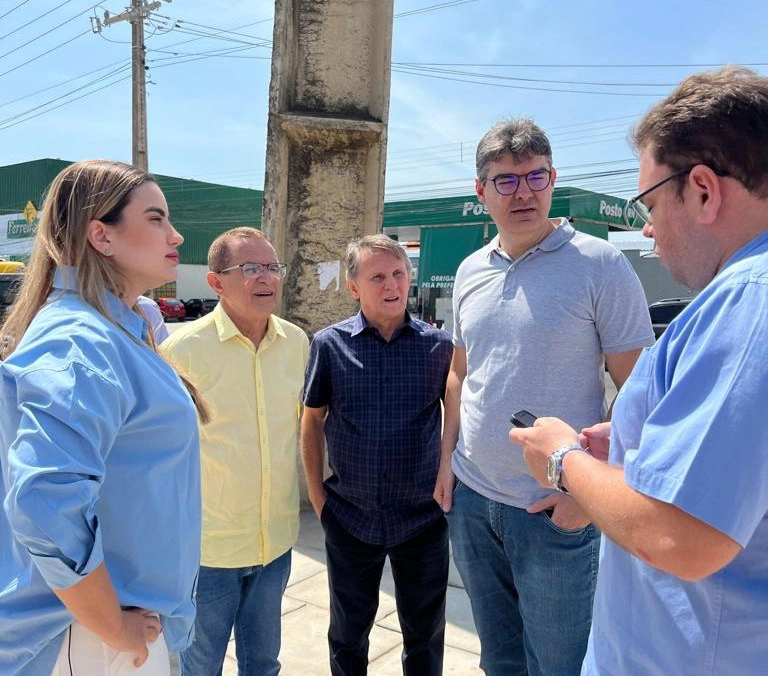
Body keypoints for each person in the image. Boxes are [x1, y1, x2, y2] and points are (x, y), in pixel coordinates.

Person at [513, 66, 768, 676]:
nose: (647, 228)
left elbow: (682, 535)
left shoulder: (748, 301)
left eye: (651, 203)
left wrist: (562, 460)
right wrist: (633, 444)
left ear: (703, 190)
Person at [433, 118, 655, 676]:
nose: (524, 192)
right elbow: (461, 373)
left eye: (535, 176)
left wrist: (589, 493)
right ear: (481, 192)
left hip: (553, 510)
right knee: (500, 659)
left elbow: (641, 393)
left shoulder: (600, 266)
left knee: (560, 664)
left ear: (553, 179)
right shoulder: (468, 272)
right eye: (505, 181)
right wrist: (446, 462)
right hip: (474, 502)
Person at [0, 159, 204, 675]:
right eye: (156, 218)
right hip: (93, 637)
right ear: (101, 235)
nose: (175, 233)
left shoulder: (111, 329)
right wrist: (112, 625)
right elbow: (44, 497)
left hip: (106, 628)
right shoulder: (81, 339)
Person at [302, 234, 452, 676]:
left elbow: (459, 415)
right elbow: (311, 422)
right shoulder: (329, 345)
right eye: (378, 277)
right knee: (348, 637)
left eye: (399, 274)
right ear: (353, 287)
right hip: (350, 519)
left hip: (422, 520)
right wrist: (318, 500)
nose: (392, 286)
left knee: (425, 638)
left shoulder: (438, 347)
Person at [161, 226, 308, 676]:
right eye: (250, 268)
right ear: (216, 282)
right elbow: (162, 456)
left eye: (272, 267)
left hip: (275, 541)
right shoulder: (181, 350)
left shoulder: (297, 343)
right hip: (210, 551)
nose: (266, 278)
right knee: (200, 665)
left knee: (263, 663)